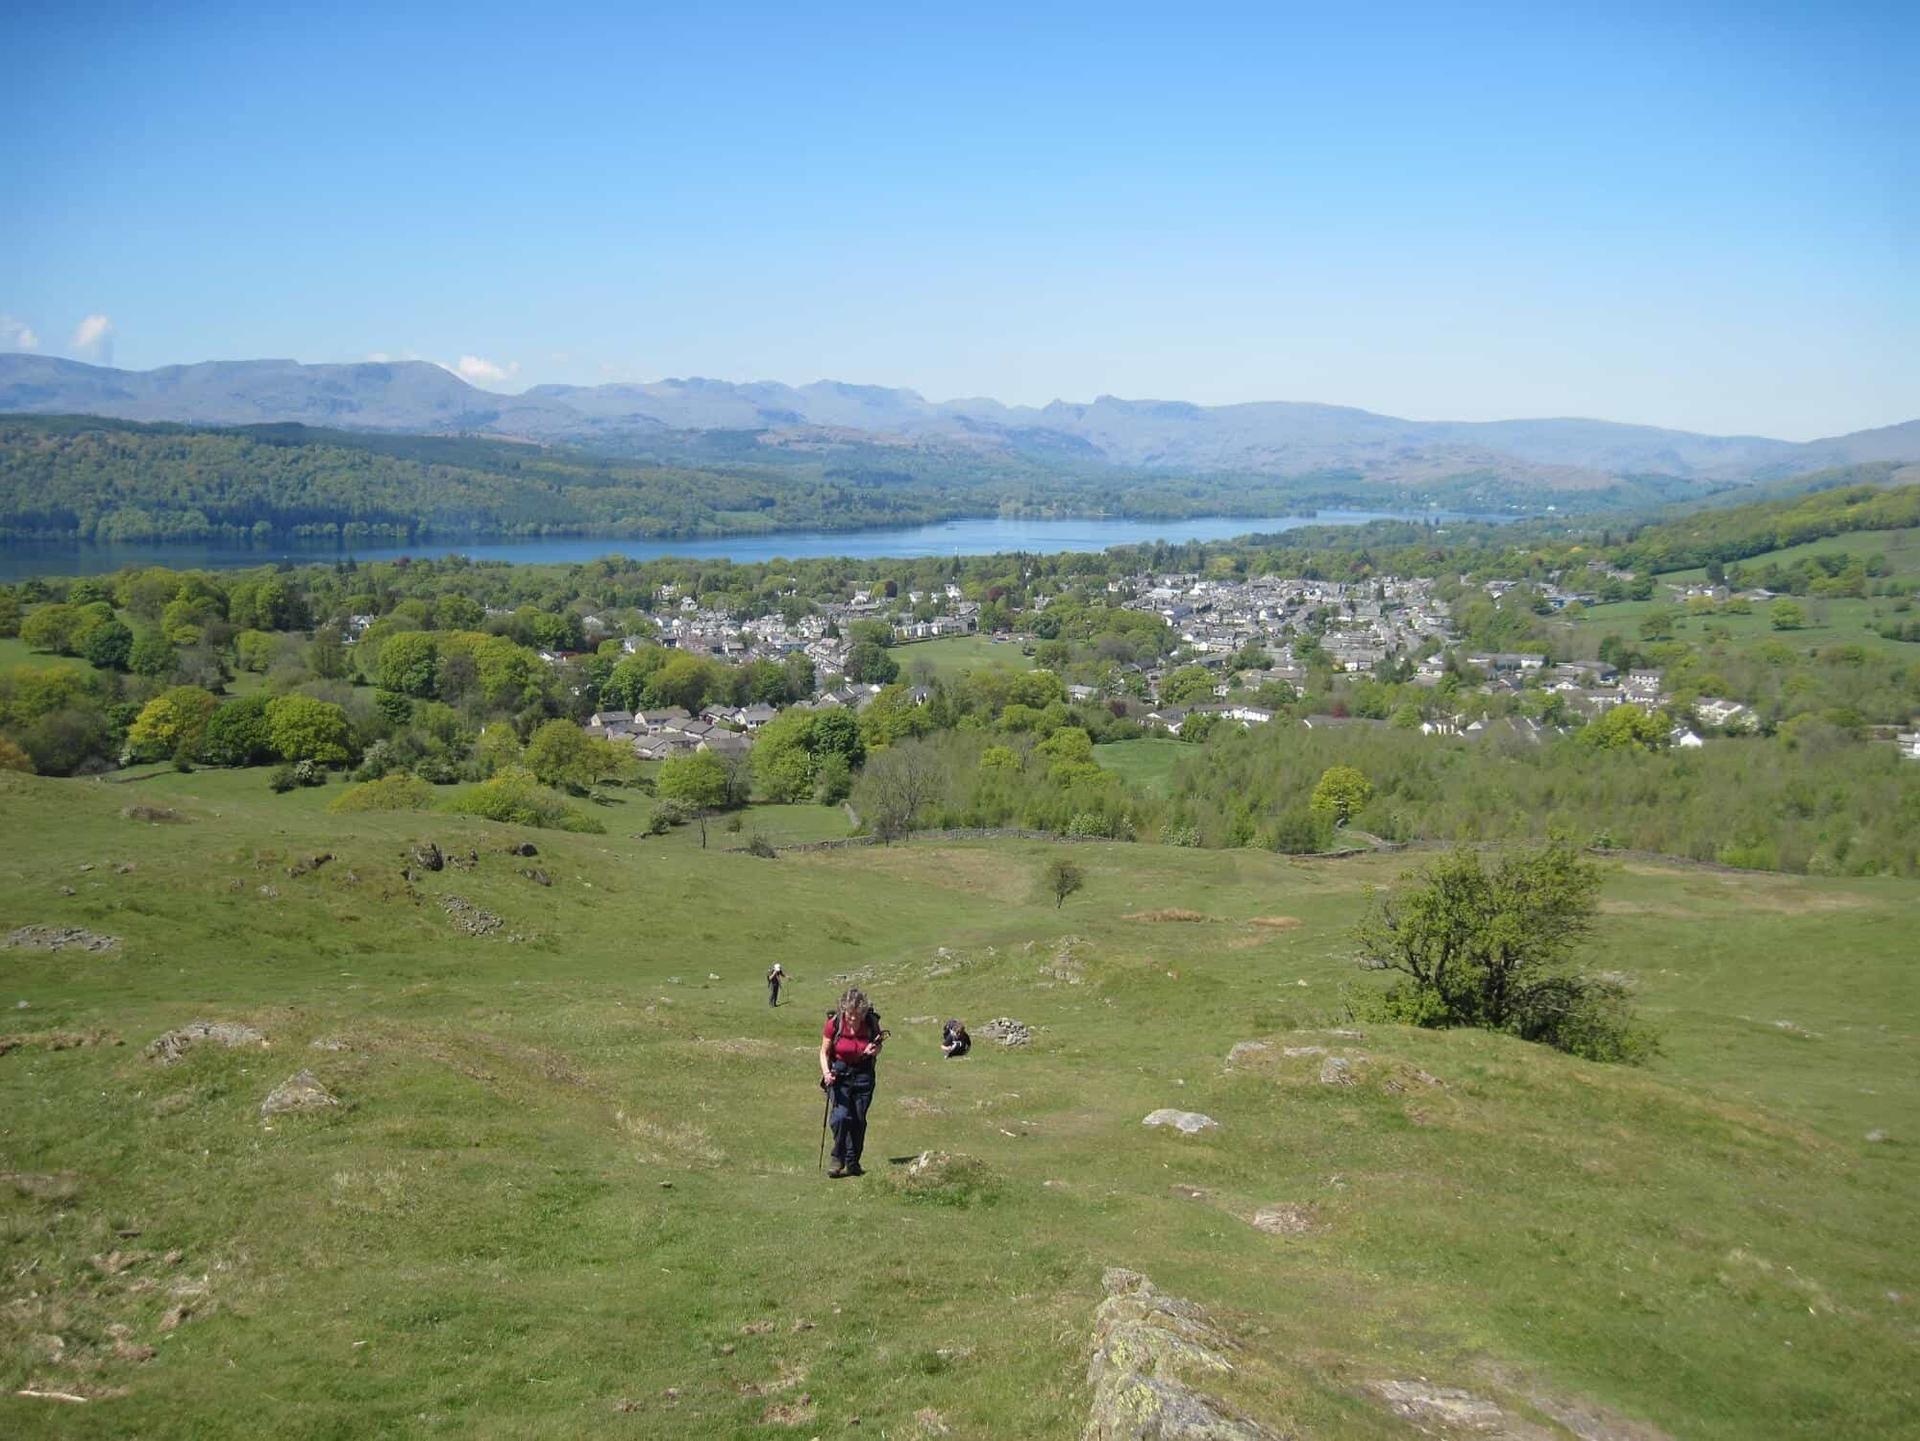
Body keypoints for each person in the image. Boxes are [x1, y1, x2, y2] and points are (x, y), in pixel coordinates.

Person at [819, 986, 884, 1179]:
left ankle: (853, 1162)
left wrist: (874, 1050)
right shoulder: (834, 1024)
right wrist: (826, 1073)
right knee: (841, 1117)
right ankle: (837, 1158)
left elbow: (879, 1045)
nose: (853, 1019)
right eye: (849, 1014)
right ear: (843, 1010)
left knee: (858, 1120)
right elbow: (824, 1052)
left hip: (864, 1075)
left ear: (863, 1012)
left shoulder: (871, 1022)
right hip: (839, 1073)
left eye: (857, 1015)